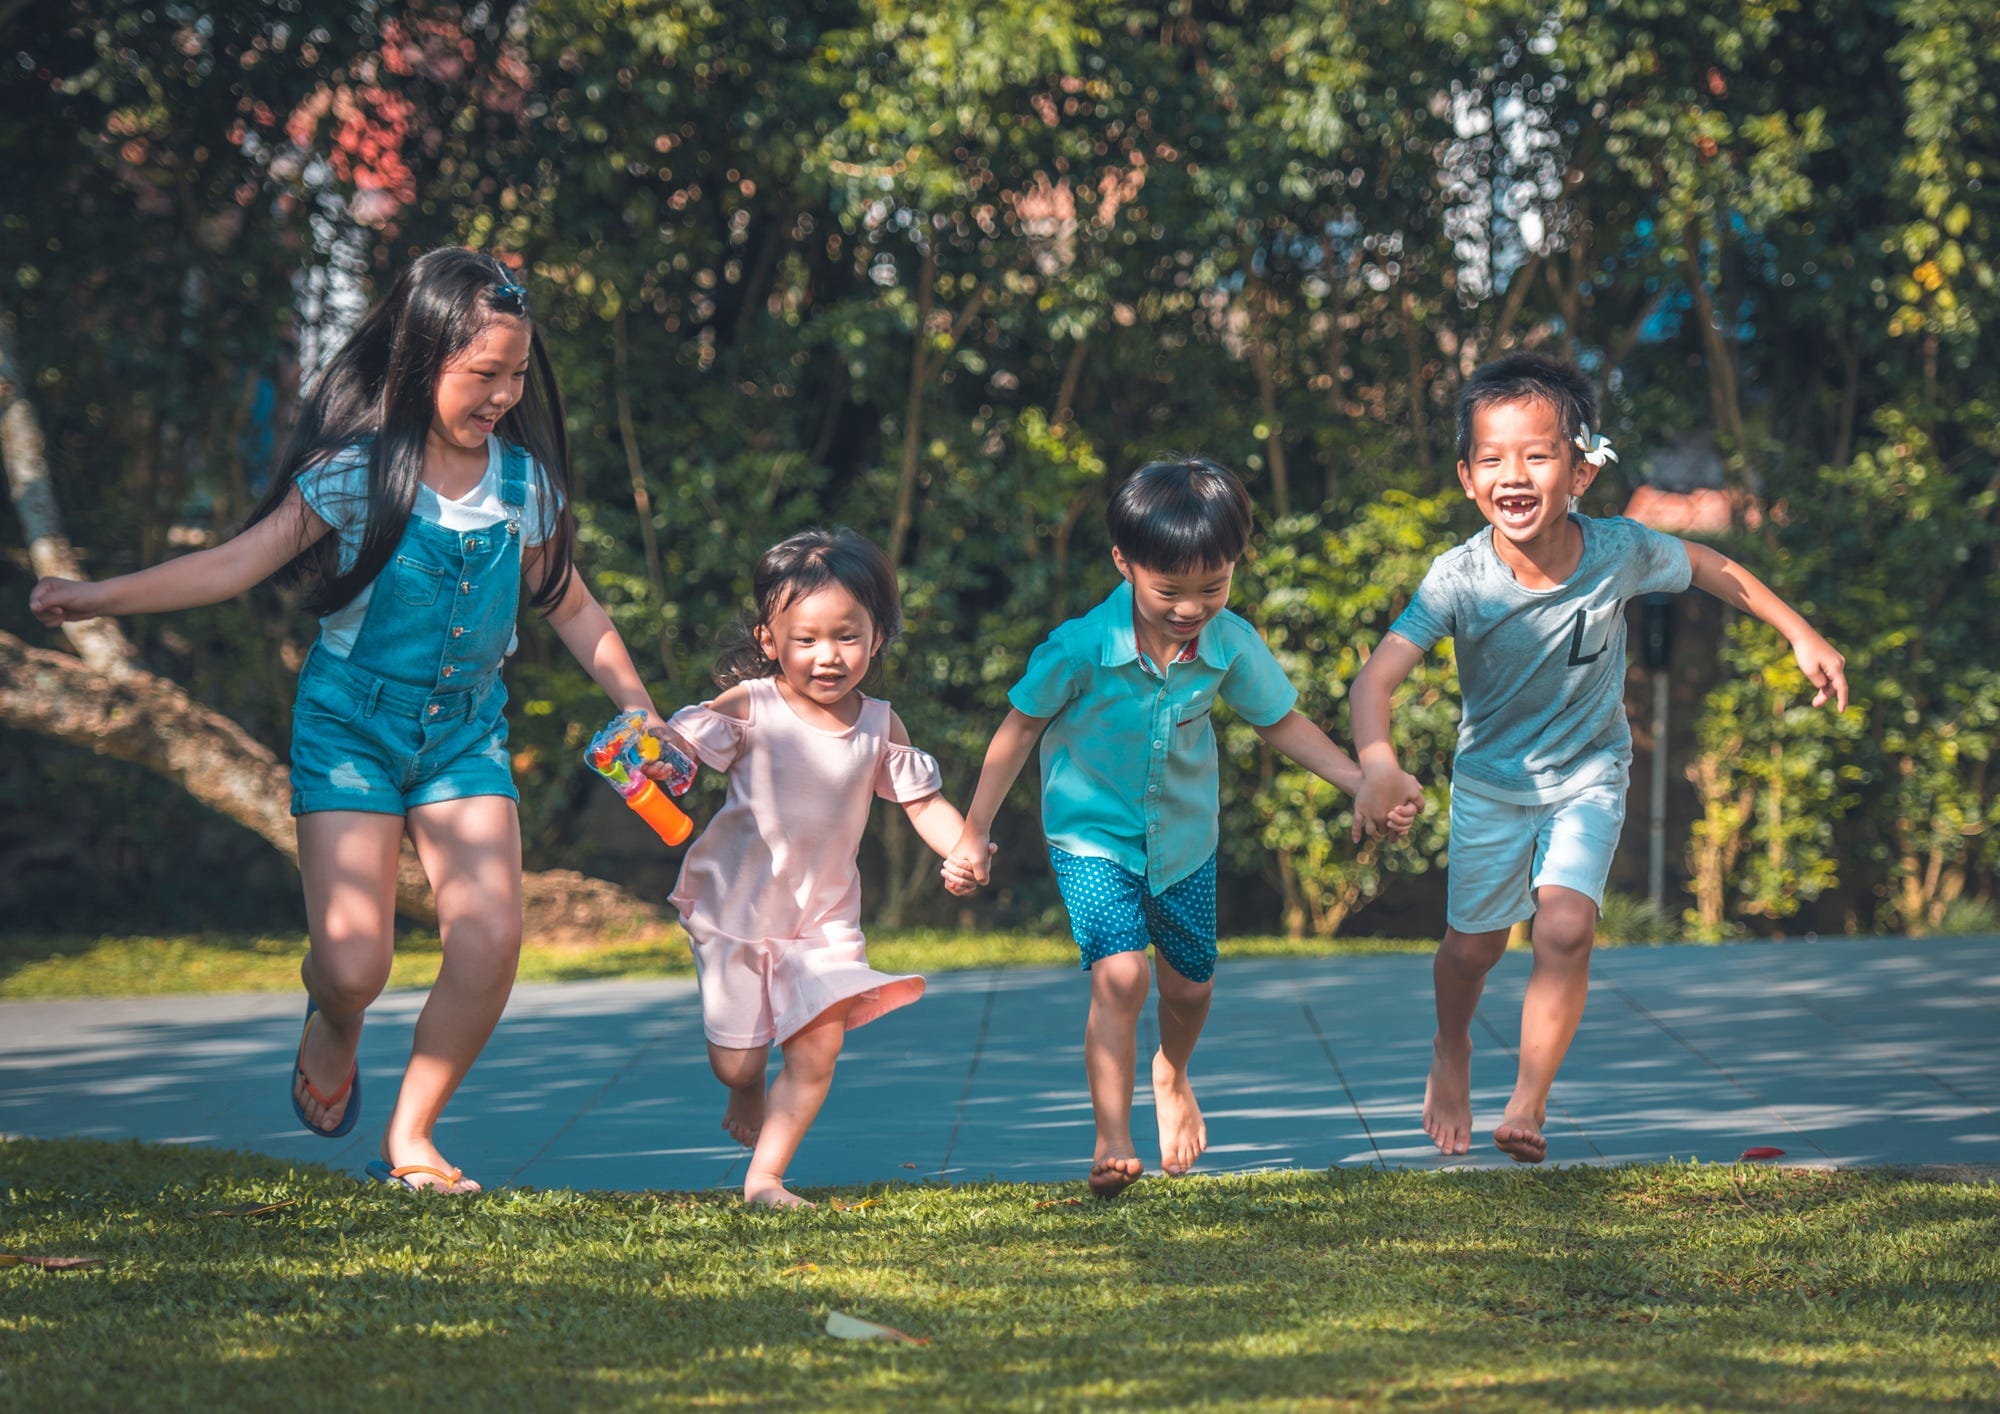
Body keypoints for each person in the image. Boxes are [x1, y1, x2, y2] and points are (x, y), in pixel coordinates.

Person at [30, 248, 667, 1193]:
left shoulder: (523, 486)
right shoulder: (357, 475)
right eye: (484, 374)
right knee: (355, 964)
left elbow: (573, 608)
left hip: (464, 735)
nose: (504, 395)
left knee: (491, 939)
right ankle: (334, 1012)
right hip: (350, 729)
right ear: (421, 362)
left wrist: (638, 705)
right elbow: (233, 563)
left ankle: (413, 1137)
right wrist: (97, 597)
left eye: (517, 375)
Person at [1350, 351, 1849, 1164]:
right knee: (1474, 949)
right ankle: (1452, 1046)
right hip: (1491, 786)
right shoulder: (1459, 579)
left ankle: (1528, 1099)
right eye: (1492, 459)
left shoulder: (1619, 550)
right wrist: (1377, 762)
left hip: (1588, 773)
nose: (1514, 475)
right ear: (1468, 479)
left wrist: (1802, 634)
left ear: (1580, 473)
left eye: (1537, 456)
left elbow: (1712, 566)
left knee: (1567, 925)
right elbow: (1375, 679)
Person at [946, 458, 1419, 1197]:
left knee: (1190, 990)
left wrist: (1362, 783)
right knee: (1122, 975)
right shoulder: (1079, 647)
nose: (1192, 607)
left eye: (1213, 586)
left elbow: (1280, 722)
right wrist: (974, 829)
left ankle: (1171, 1072)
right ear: (1124, 563)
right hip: (1092, 837)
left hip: (1185, 843)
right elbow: (1019, 729)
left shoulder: (1229, 642)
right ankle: (1112, 1140)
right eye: (1169, 590)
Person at [659, 527, 978, 1208]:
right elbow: (680, 756)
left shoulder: (880, 725)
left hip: (824, 921)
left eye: (847, 636)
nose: (827, 656)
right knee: (735, 1062)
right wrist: (658, 757)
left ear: (877, 637)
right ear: (769, 640)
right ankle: (746, 1084)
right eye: (805, 639)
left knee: (816, 1049)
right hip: (737, 908)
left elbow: (925, 804)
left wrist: (965, 847)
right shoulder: (750, 706)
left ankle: (765, 1179)